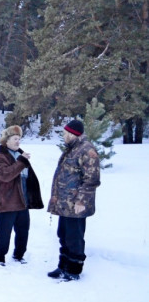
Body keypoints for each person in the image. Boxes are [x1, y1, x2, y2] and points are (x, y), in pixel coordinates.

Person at [47, 119, 100, 281]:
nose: (63, 136)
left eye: (65, 133)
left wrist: (81, 201)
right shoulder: (72, 149)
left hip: (76, 204)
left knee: (74, 237)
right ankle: (63, 266)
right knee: (63, 234)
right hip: (65, 203)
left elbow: (91, 180)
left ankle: (74, 270)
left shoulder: (87, 150)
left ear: (72, 134)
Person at [0, 125, 43, 266]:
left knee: (23, 230)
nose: (18, 142)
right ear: (6, 140)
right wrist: (21, 161)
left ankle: (19, 255)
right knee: (4, 231)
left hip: (22, 201)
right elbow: (5, 175)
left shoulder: (20, 155)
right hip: (7, 201)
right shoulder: (0, 157)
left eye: (19, 139)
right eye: (15, 138)